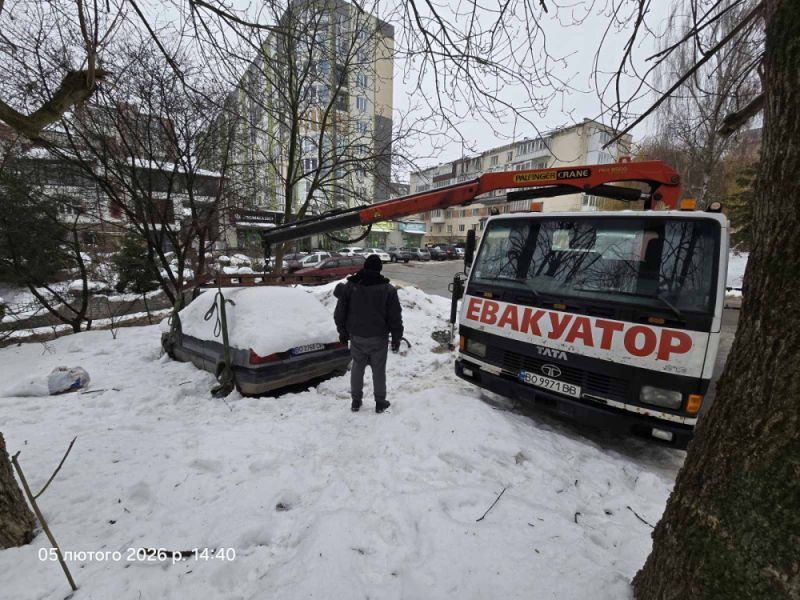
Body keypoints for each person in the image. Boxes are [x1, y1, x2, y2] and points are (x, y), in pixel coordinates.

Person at [333, 254, 403, 413]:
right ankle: (380, 402)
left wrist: (343, 332)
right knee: (379, 370)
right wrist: (397, 337)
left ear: (365, 266)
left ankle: (356, 401)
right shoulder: (388, 289)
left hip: (356, 336)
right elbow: (395, 317)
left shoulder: (350, 286)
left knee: (357, 367)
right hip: (378, 337)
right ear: (379, 269)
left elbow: (340, 313)